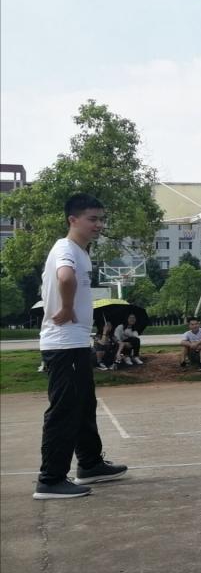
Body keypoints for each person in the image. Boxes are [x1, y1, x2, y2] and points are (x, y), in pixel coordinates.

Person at [33, 193, 127, 499]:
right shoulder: (65, 248)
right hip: (63, 344)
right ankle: (50, 480)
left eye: (101, 219)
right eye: (92, 219)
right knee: (65, 410)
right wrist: (66, 308)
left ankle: (90, 464)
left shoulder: (80, 251)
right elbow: (65, 277)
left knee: (85, 405)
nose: (99, 225)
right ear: (72, 220)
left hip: (75, 342)